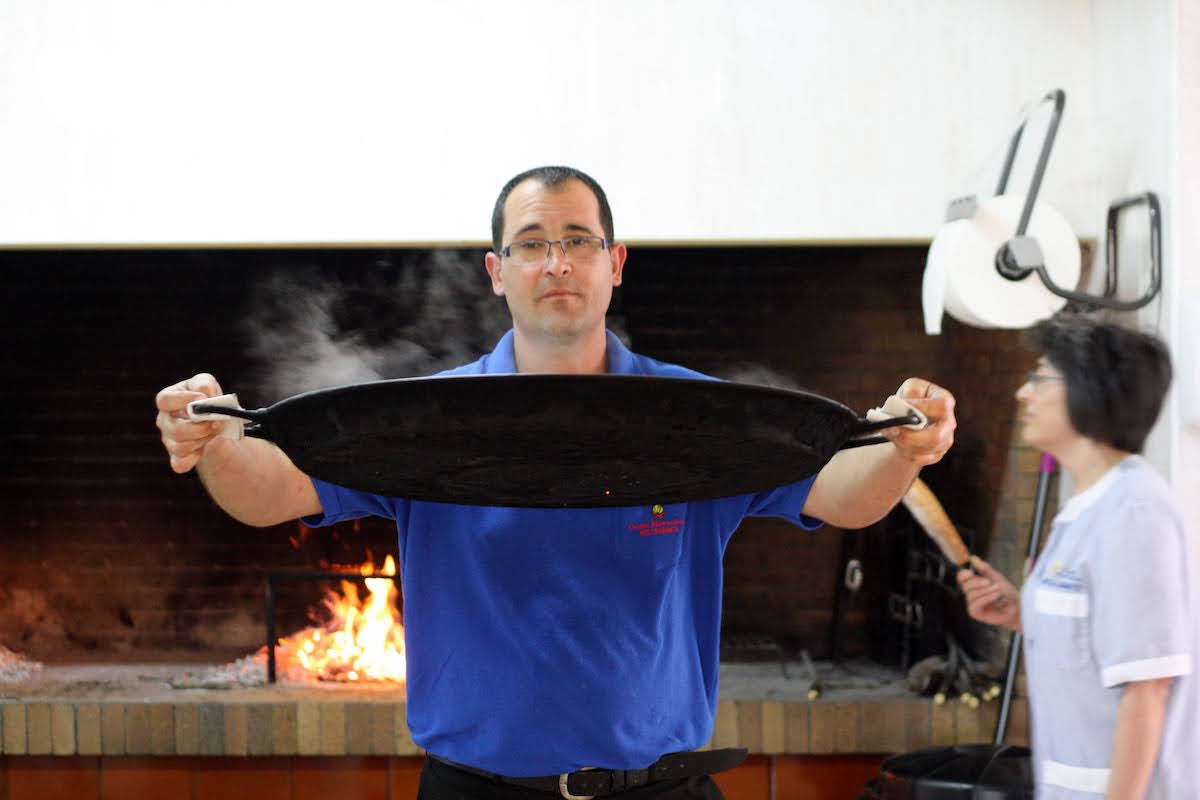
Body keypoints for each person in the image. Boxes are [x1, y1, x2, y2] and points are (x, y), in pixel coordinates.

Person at [157, 166, 957, 799]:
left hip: (662, 791)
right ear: (497, 272)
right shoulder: (430, 423)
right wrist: (216, 444)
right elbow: (274, 495)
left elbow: (839, 494)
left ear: (615, 263)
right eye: (531, 243)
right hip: (476, 793)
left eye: (578, 240)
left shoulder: (697, 421)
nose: (557, 261)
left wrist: (900, 451)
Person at [958, 315, 1197, 800]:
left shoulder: (1133, 512)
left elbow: (1146, 689)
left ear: (1090, 391)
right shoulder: (1085, 508)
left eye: (1041, 378)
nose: (1023, 394)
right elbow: (1100, 636)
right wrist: (1021, 613)